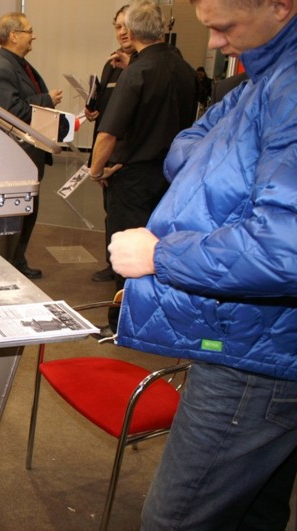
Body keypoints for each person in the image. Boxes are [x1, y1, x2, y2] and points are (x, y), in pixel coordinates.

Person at [107, 0, 297, 527]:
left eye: (223, 27)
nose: (213, 43)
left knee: (174, 519)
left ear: (280, 6)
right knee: (253, 510)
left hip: (256, 356)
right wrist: (223, 163)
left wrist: (160, 255)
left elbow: (284, 249)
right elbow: (184, 143)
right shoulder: (263, 77)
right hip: (256, 339)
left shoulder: (288, 87)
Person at [87, 0, 196, 334]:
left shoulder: (136, 73)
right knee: (158, 250)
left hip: (133, 178)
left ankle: (120, 326)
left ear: (132, 32)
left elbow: (108, 133)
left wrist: (95, 170)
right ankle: (155, 321)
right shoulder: (185, 69)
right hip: (171, 177)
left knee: (128, 254)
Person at [0, 12, 63, 279]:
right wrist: (47, 100)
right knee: (14, 213)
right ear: (13, 36)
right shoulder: (2, 68)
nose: (33, 36)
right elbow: (12, 111)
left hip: (28, 154)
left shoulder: (17, 64)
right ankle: (4, 269)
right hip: (16, 154)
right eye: (29, 31)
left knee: (26, 211)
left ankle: (16, 262)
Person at [85, 4, 135, 283]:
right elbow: (108, 110)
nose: (122, 32)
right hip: (107, 154)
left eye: (127, 25)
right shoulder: (111, 64)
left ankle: (125, 272)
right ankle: (112, 262)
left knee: (127, 217)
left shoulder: (142, 67)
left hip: (128, 156)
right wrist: (93, 110)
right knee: (111, 212)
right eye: (118, 26)